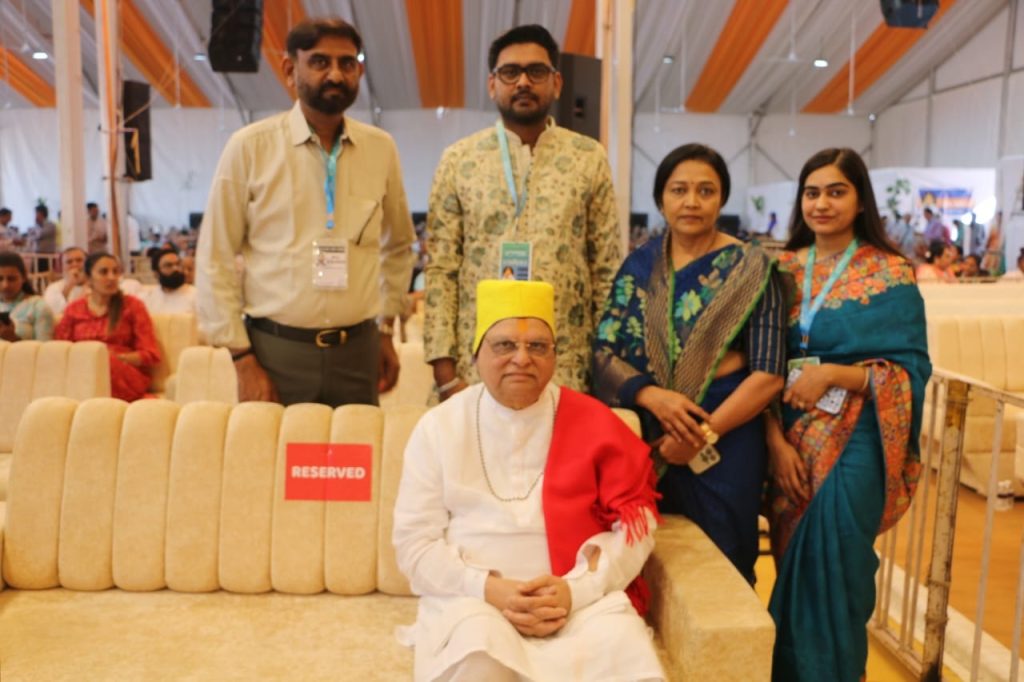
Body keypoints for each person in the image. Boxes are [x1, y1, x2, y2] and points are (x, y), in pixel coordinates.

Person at [394, 279, 664, 682]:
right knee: (480, 662)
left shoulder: (594, 423)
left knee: (627, 659)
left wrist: (575, 590)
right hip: (474, 601)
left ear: (554, 355)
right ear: (477, 353)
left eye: (537, 346)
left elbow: (637, 529)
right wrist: (489, 588)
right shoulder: (439, 428)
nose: (521, 358)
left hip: (579, 603)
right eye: (505, 345)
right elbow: (414, 545)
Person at [764, 148, 931, 682]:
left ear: (860, 201)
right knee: (794, 567)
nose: (822, 203)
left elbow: (911, 370)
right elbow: (757, 365)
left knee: (839, 567)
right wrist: (774, 444)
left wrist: (837, 374)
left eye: (836, 192)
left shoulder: (891, 274)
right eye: (812, 193)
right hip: (788, 438)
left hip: (858, 440)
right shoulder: (780, 271)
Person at [592, 143, 786, 583]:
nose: (692, 202)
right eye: (679, 190)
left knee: (726, 564)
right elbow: (603, 352)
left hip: (726, 436)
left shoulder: (753, 269)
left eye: (706, 191)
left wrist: (703, 434)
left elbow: (769, 374)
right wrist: (652, 396)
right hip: (648, 435)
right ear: (661, 199)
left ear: (722, 199)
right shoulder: (640, 266)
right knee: (643, 558)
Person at [196, 17, 415, 407]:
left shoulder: (381, 149)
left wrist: (384, 328)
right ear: (289, 69)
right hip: (275, 353)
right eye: (319, 62)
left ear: (359, 71)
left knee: (356, 448)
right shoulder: (250, 147)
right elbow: (215, 256)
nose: (336, 74)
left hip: (358, 352)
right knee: (272, 449)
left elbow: (398, 245)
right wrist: (241, 358)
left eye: (347, 63)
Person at [424, 24, 620, 399]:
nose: (523, 82)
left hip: (566, 365)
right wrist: (446, 373)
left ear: (557, 83)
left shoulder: (588, 157)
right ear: (492, 84)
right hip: (476, 364)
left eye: (536, 72)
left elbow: (606, 269)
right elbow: (441, 268)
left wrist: (602, 369)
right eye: (510, 72)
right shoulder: (459, 159)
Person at [55, 252, 161, 402]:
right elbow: (61, 349)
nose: (112, 277)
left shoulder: (133, 306)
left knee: (103, 362)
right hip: (83, 373)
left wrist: (115, 358)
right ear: (89, 278)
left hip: (124, 375)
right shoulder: (74, 309)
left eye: (115, 272)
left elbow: (151, 355)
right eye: (104, 272)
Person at [0, 251, 54, 341]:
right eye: (0, 279)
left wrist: (14, 339)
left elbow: (45, 347)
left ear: (24, 278)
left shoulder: (38, 307)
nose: (5, 285)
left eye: (12, 279)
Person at [139, 248, 196, 315]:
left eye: (178, 264)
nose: (175, 268)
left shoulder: (195, 295)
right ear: (156, 273)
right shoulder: (148, 298)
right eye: (168, 265)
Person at [43, 247, 88, 316]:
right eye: (69, 262)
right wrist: (69, 286)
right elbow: (54, 313)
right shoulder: (53, 288)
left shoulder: (96, 285)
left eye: (79, 260)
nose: (75, 265)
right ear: (63, 267)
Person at [28, 205, 58, 270]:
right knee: (34, 272)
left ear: (41, 214)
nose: (35, 216)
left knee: (47, 273)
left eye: (36, 214)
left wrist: (33, 232)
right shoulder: (37, 226)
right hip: (37, 254)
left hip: (47, 255)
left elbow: (39, 235)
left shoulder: (51, 225)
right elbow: (30, 236)